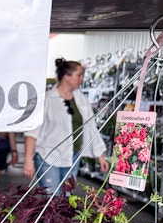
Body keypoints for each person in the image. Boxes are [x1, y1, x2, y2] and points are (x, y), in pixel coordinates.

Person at [23, 58, 108, 194]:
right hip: (47, 157)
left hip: (72, 158)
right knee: (51, 199)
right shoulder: (46, 99)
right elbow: (32, 132)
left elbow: (91, 127)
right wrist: (28, 159)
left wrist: (100, 156)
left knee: (66, 199)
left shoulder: (81, 100)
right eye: (79, 75)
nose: (82, 79)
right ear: (67, 77)